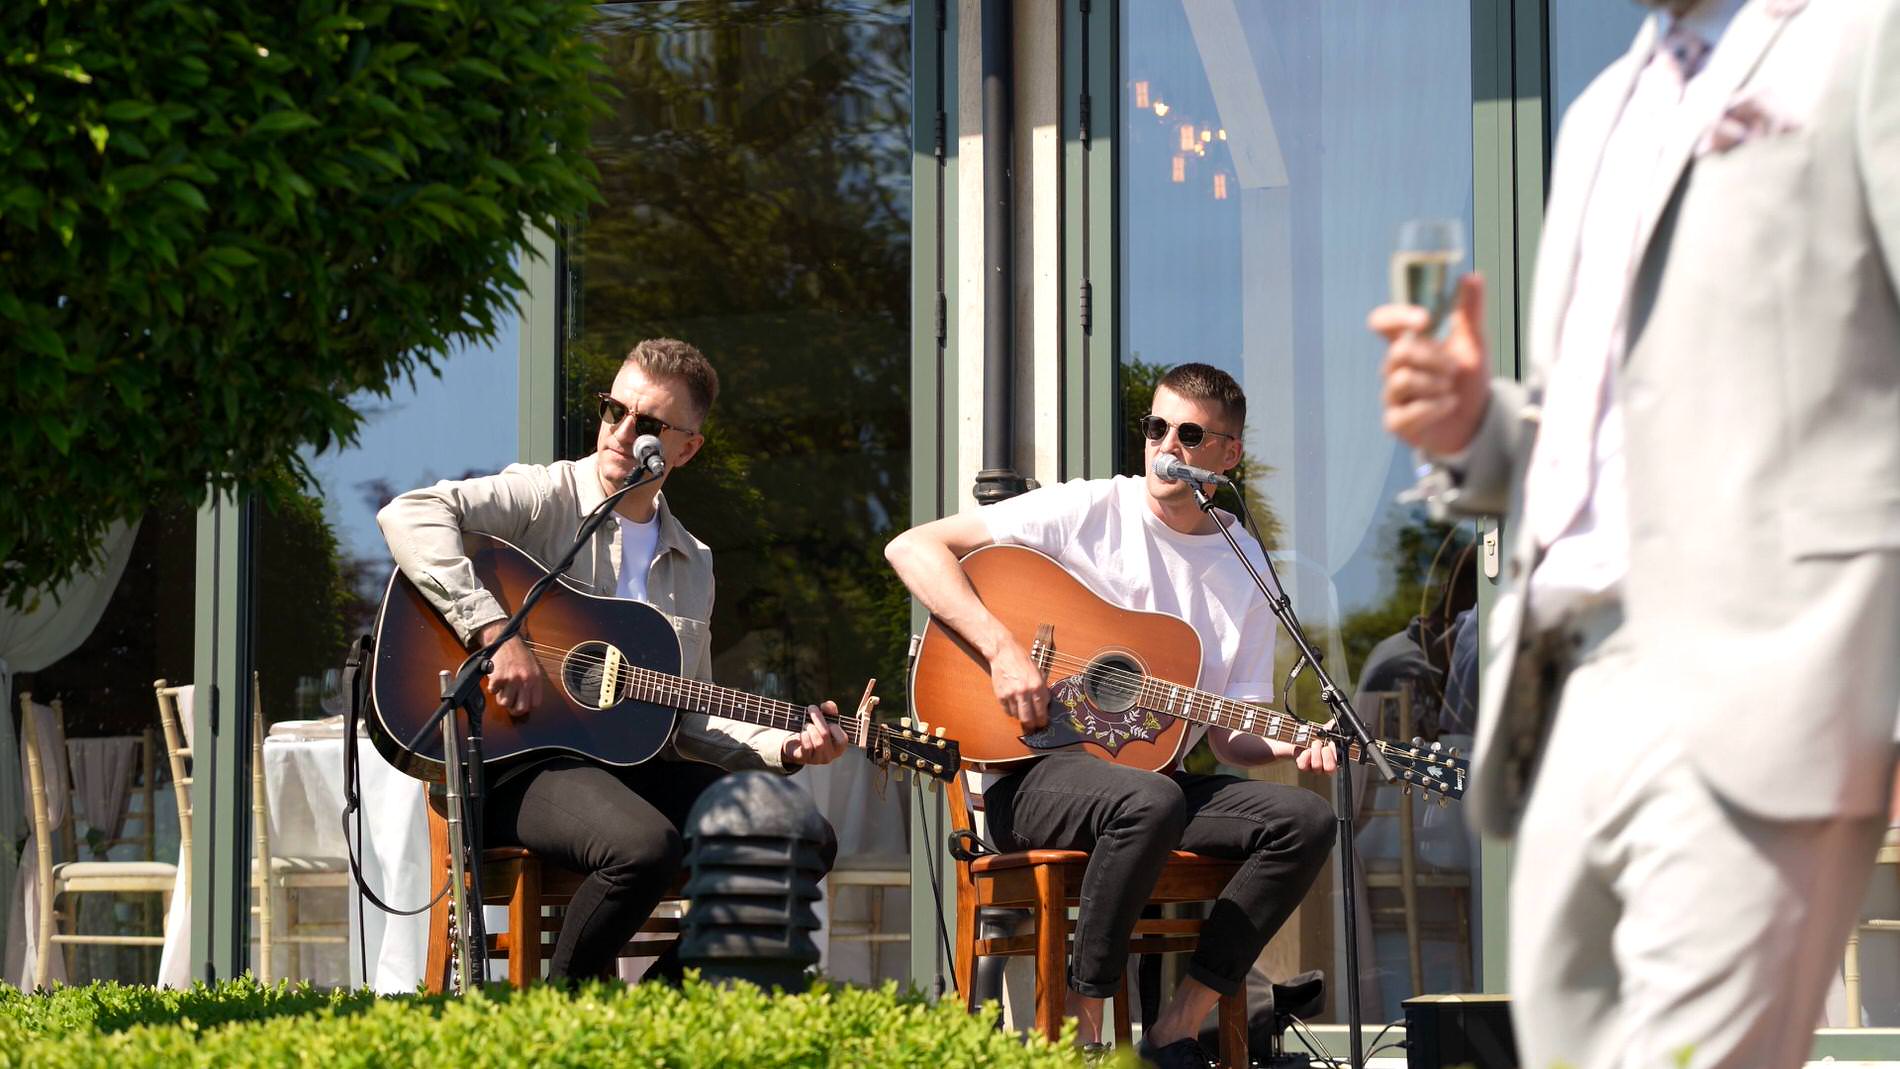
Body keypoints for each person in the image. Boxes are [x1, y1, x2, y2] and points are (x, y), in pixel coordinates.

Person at [1369, 1, 1900, 1065]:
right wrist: (1477, 423)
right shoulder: (1596, 111)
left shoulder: (1865, 34)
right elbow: (1592, 425)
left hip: (1764, 669)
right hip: (1562, 685)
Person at [884, 362, 1339, 1069]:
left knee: (1304, 820)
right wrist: (1004, 650)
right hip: (1031, 774)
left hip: (1149, 781)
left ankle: (1176, 1027)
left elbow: (1230, 732)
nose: (1167, 446)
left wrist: (1293, 740)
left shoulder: (1243, 560)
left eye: (1190, 434)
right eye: (1157, 427)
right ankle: (1083, 1022)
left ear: (1227, 455)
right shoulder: (1091, 508)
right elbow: (912, 547)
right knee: (1149, 799)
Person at [377, 337, 849, 983]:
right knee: (642, 845)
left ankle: (656, 1008)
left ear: (686, 448)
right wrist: (493, 629)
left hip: (628, 768)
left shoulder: (693, 560)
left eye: (649, 424)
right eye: (612, 410)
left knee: (799, 835)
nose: (622, 433)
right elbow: (411, 511)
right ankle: (566, 1014)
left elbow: (690, 712)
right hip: (514, 763)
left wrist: (786, 747)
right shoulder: (545, 496)